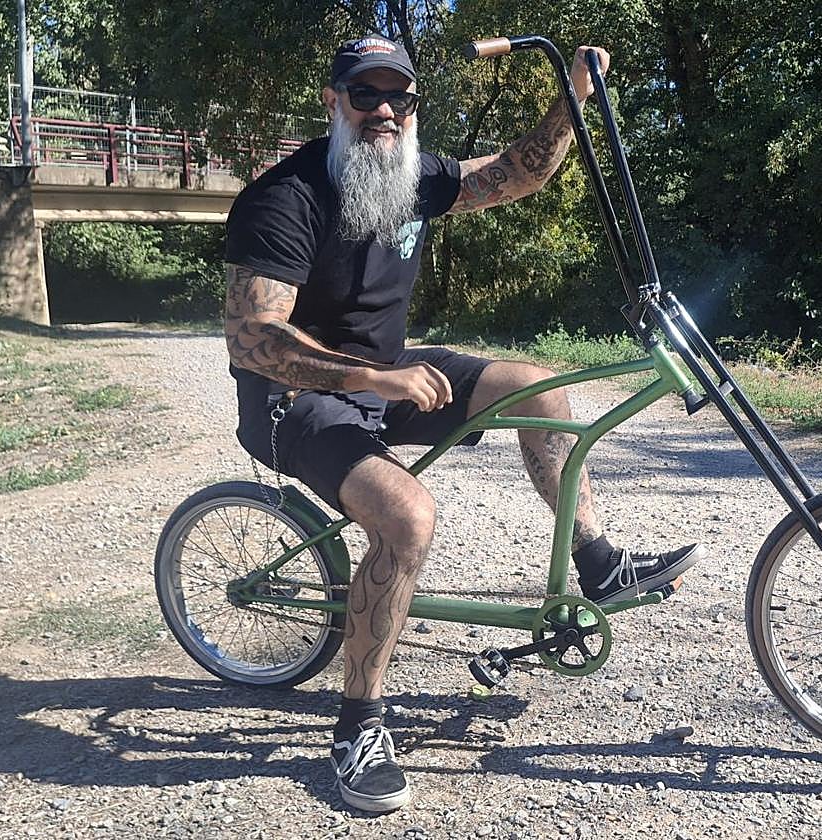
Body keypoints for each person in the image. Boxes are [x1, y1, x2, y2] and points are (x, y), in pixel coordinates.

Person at [223, 34, 702, 813]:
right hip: (292, 399)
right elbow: (254, 339)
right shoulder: (287, 196)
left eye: (398, 97)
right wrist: (371, 376)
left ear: (413, 106)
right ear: (334, 101)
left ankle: (600, 561)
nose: (383, 110)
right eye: (365, 94)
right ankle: (358, 725)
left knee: (541, 387)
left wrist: (572, 97)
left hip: (388, 379)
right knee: (408, 517)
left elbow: (516, 174)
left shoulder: (412, 176)